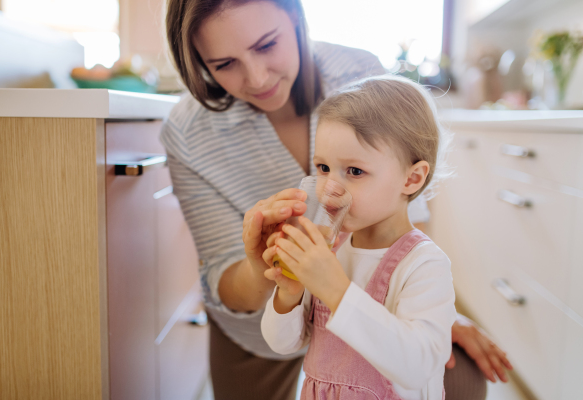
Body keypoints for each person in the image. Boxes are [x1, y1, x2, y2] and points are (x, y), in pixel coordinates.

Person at [162, 1, 512, 399]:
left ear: (295, 18)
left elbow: (408, 225)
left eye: (266, 45)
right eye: (224, 64)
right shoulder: (189, 131)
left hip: (386, 362)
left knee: (461, 370)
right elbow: (281, 336)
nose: (257, 77)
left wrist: (436, 311)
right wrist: (281, 285)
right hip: (280, 343)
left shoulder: (359, 76)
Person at [260, 75, 455, 399]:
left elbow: (417, 365)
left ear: (412, 178)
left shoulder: (425, 265)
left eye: (354, 171)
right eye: (323, 168)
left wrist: (336, 290)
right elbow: (282, 344)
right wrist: (289, 294)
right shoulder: (331, 249)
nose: (329, 188)